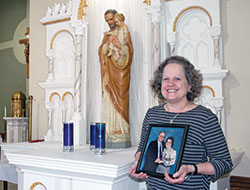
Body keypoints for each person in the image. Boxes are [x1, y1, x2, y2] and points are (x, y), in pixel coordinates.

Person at [129, 56, 233, 189]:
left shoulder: (205, 118)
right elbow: (141, 150)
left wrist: (191, 168)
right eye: (166, 79)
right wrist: (139, 162)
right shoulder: (152, 114)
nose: (170, 84)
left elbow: (224, 163)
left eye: (177, 79)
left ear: (189, 85)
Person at [98, 9, 133, 148]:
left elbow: (129, 50)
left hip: (120, 73)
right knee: (108, 99)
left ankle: (121, 131)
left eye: (111, 19)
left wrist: (119, 47)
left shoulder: (124, 31)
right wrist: (107, 46)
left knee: (120, 98)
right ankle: (110, 131)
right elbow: (101, 51)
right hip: (109, 73)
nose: (109, 22)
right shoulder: (108, 35)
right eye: (107, 20)